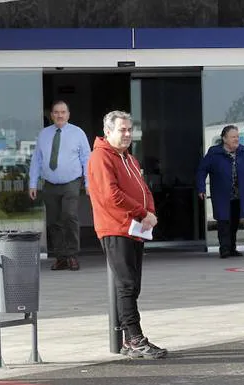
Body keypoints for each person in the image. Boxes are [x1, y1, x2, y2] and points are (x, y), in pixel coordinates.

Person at [88, 110, 167, 359]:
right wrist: (142, 212)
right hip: (116, 227)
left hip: (134, 228)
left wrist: (149, 212)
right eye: (122, 130)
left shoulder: (129, 159)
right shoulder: (101, 157)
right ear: (108, 131)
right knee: (126, 285)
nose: (127, 134)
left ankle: (128, 340)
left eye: (130, 130)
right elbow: (111, 195)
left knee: (133, 285)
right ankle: (134, 338)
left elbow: (143, 189)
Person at [29, 100, 91, 271]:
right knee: (53, 222)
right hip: (50, 184)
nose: (59, 115)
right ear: (52, 115)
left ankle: (72, 255)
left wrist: (89, 182)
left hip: (71, 182)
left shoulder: (78, 133)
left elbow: (87, 158)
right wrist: (33, 183)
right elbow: (37, 160)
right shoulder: (44, 134)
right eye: (56, 112)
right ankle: (60, 257)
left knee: (69, 216)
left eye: (63, 112)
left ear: (68, 115)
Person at [196, 125, 244, 258]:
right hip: (222, 194)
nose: (236, 139)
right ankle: (224, 249)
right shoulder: (214, 153)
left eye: (237, 137)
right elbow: (202, 170)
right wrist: (201, 188)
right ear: (224, 139)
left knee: (234, 221)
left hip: (239, 194)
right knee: (223, 221)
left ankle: (232, 247)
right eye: (233, 137)